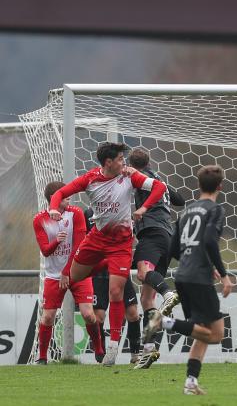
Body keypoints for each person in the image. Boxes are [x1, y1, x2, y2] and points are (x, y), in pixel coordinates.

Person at [48, 142, 167, 366]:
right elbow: (61, 192)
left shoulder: (131, 177)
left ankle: (113, 346)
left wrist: (142, 208)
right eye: (121, 159)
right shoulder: (90, 179)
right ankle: (107, 267)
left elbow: (160, 187)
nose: (125, 162)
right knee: (74, 275)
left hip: (121, 244)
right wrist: (55, 208)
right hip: (96, 239)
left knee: (116, 292)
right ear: (108, 162)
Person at [143, 165, 233, 395]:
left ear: (198, 185)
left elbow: (173, 248)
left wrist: (193, 259)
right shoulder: (214, 210)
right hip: (199, 278)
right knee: (217, 334)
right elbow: (211, 242)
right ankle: (163, 322)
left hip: (183, 275)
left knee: (201, 330)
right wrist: (223, 274)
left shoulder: (187, 212)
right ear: (220, 187)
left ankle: (191, 383)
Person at [31, 182, 104, 364]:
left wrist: (67, 271)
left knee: (88, 314)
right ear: (53, 199)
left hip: (77, 272)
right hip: (53, 275)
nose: (68, 197)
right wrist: (56, 241)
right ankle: (42, 358)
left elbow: (80, 245)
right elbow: (46, 251)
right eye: (64, 196)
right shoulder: (39, 219)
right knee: (48, 317)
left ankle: (99, 349)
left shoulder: (76, 213)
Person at [128, 148, 185, 369]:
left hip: (152, 232)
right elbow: (179, 200)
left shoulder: (142, 179)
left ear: (132, 165)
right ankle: (149, 351)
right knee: (146, 300)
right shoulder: (156, 178)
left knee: (143, 273)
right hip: (167, 237)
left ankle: (168, 293)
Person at [85, 207, 141, 364]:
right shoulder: (88, 214)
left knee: (132, 313)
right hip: (100, 272)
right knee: (98, 316)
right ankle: (102, 355)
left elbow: (132, 235)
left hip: (119, 268)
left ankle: (135, 354)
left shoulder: (122, 212)